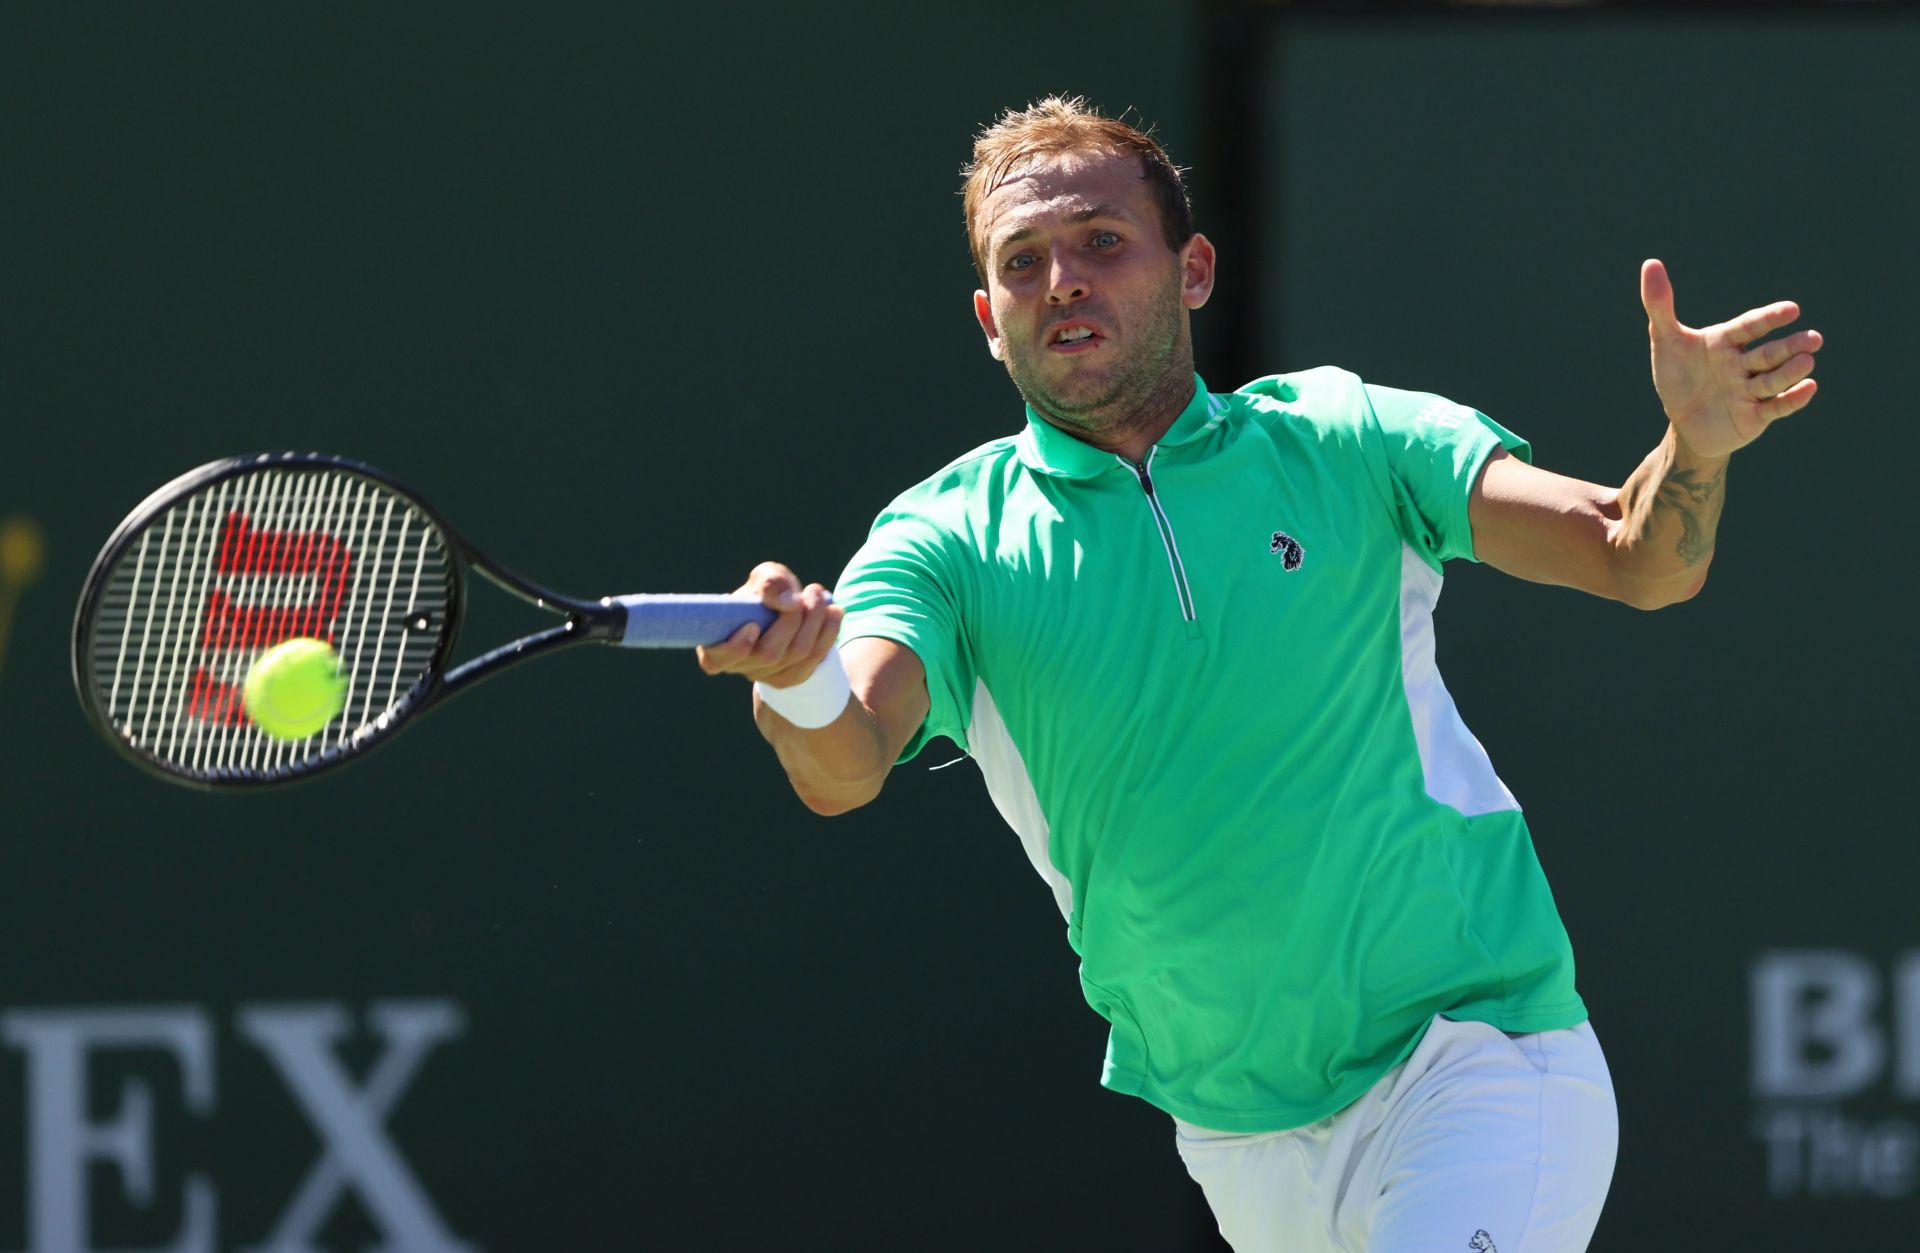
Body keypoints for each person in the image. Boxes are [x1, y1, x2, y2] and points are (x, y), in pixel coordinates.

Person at [697, 98, 1822, 1253]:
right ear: (991, 320)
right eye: (1023, 263)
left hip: (1473, 1059)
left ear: (1192, 271)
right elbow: (845, 760)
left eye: (1100, 241)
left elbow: (1638, 558)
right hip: (1237, 1137)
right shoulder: (940, 542)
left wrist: (1696, 447)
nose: (1063, 281)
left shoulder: (1345, 437)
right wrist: (797, 682)